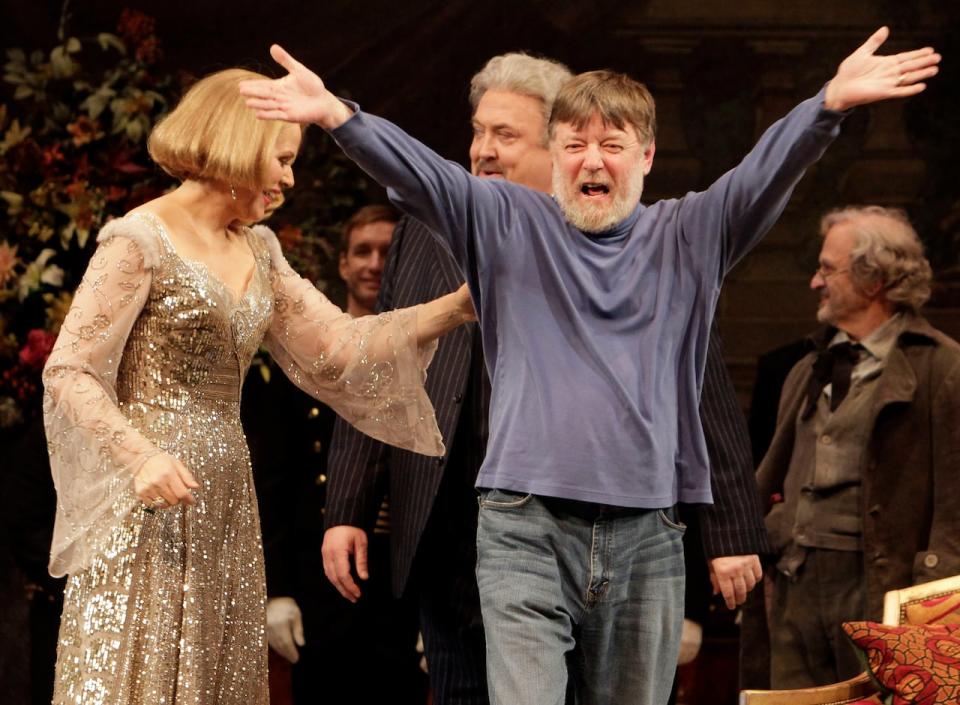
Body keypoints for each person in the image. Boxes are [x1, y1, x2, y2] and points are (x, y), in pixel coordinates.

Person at [240, 27, 940, 704]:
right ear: (555, 155)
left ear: (646, 156)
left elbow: (764, 172)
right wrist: (337, 115)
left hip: (647, 535)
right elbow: (422, 171)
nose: (592, 160)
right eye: (574, 145)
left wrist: (827, 107)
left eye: (612, 144)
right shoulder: (506, 220)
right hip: (523, 527)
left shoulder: (690, 231)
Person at [319, 52, 769, 705]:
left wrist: (728, 530)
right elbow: (382, 357)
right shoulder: (427, 223)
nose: (483, 149)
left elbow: (696, 378)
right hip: (454, 525)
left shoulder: (629, 230)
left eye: (506, 135)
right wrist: (349, 507)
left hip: (602, 524)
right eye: (478, 131)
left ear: (558, 141)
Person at [41, 67, 473, 705]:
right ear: (241, 144)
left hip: (223, 500)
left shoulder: (260, 250)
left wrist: (463, 304)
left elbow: (340, 346)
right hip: (150, 501)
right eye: (284, 160)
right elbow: (68, 368)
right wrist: (140, 456)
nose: (290, 179)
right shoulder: (139, 240)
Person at [751, 206, 960, 689]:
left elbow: (954, 499)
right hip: (796, 587)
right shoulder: (808, 367)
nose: (814, 282)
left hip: (876, 589)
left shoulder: (940, 369)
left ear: (873, 279)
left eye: (828, 268)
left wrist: (932, 596)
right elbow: (774, 472)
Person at [243, 203, 428, 704]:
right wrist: (276, 589)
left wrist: (445, 606)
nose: (373, 264)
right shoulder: (304, 357)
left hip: (407, 575)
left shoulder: (439, 354)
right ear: (342, 264)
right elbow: (274, 479)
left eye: (388, 253)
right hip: (320, 574)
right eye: (361, 252)